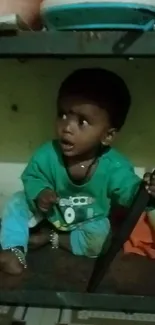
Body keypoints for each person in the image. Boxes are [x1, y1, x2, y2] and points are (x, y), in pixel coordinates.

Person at [0, 68, 155, 275]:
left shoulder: (114, 166)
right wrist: (40, 191)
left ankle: (52, 239)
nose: (67, 128)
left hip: (88, 220)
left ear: (107, 135)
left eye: (82, 122)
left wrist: (147, 191)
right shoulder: (48, 154)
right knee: (17, 202)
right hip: (50, 213)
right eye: (63, 115)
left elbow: (130, 193)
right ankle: (14, 250)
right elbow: (32, 176)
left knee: (101, 240)